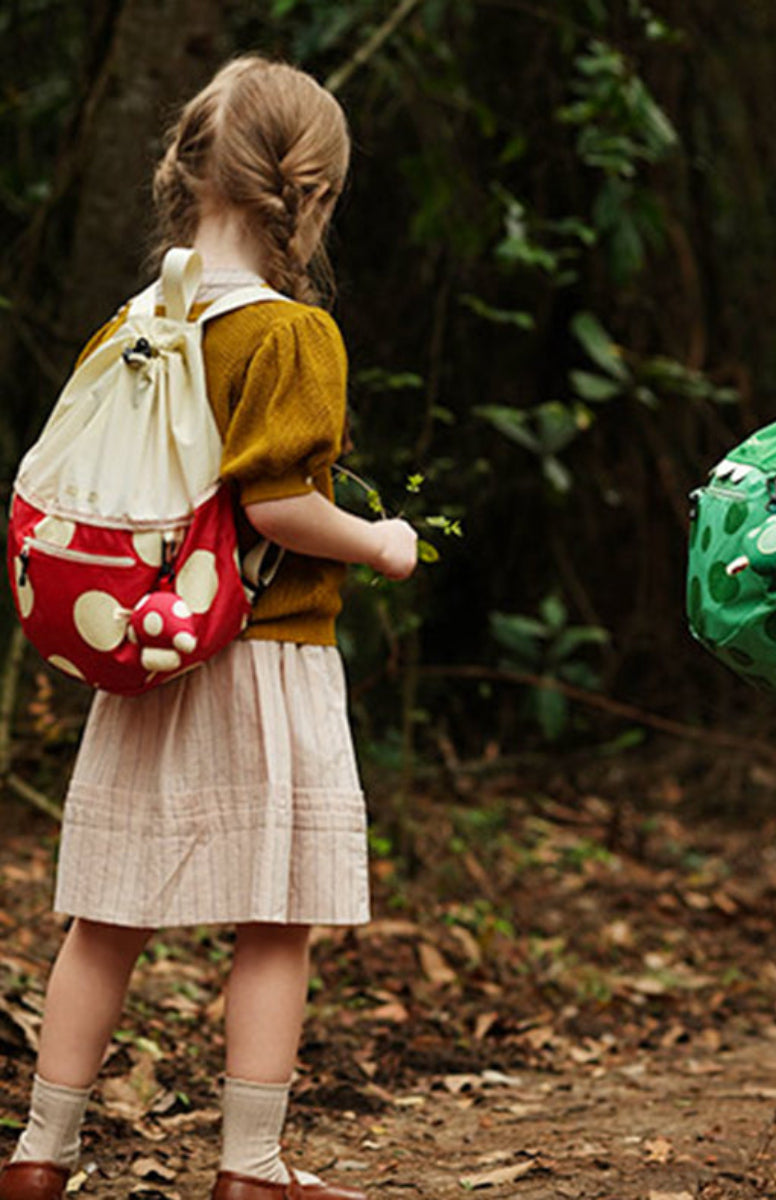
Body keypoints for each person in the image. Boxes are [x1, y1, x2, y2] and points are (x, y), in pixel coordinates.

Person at [0, 57, 418, 1200]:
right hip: (262, 655)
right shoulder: (289, 335)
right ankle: (251, 1167)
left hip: (141, 653)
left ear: (184, 173)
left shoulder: (138, 322)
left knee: (107, 918)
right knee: (274, 922)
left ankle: (41, 1153)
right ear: (314, 194)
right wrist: (381, 542)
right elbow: (279, 506)